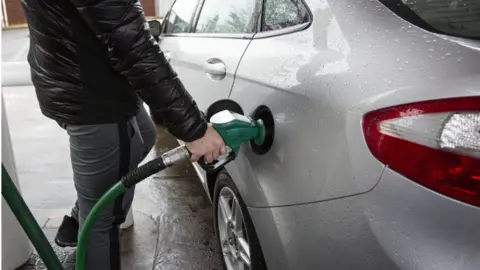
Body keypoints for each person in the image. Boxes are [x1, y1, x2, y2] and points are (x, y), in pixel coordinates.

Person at [21, 0, 226, 269]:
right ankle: (88, 223)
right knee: (101, 220)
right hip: (94, 97)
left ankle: (81, 215)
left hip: (73, 81)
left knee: (144, 133)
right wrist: (195, 129)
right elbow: (133, 45)